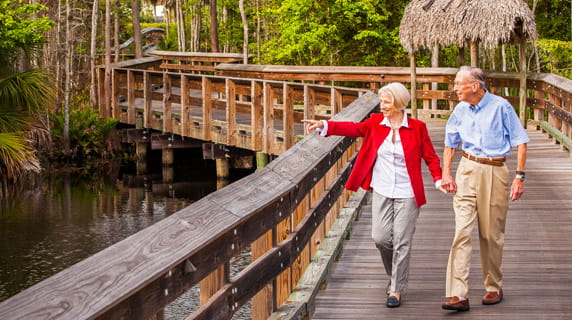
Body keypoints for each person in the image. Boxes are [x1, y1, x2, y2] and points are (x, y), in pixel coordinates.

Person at [303, 82, 444, 308]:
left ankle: (396, 288)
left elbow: (430, 157)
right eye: (381, 101)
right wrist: (324, 125)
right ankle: (394, 274)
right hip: (382, 188)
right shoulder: (375, 124)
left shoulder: (417, 127)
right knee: (381, 238)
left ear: (399, 102)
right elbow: (352, 128)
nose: (382, 105)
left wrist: (438, 178)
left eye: (386, 101)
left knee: (402, 240)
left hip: (408, 192)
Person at [440, 66, 529, 312]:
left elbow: (520, 141)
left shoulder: (501, 107)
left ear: (475, 86)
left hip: (495, 170)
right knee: (462, 231)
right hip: (467, 169)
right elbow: (450, 144)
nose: (455, 88)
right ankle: (458, 294)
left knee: (491, 234)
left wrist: (519, 176)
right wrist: (446, 173)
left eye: (459, 84)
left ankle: (493, 286)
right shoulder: (459, 110)